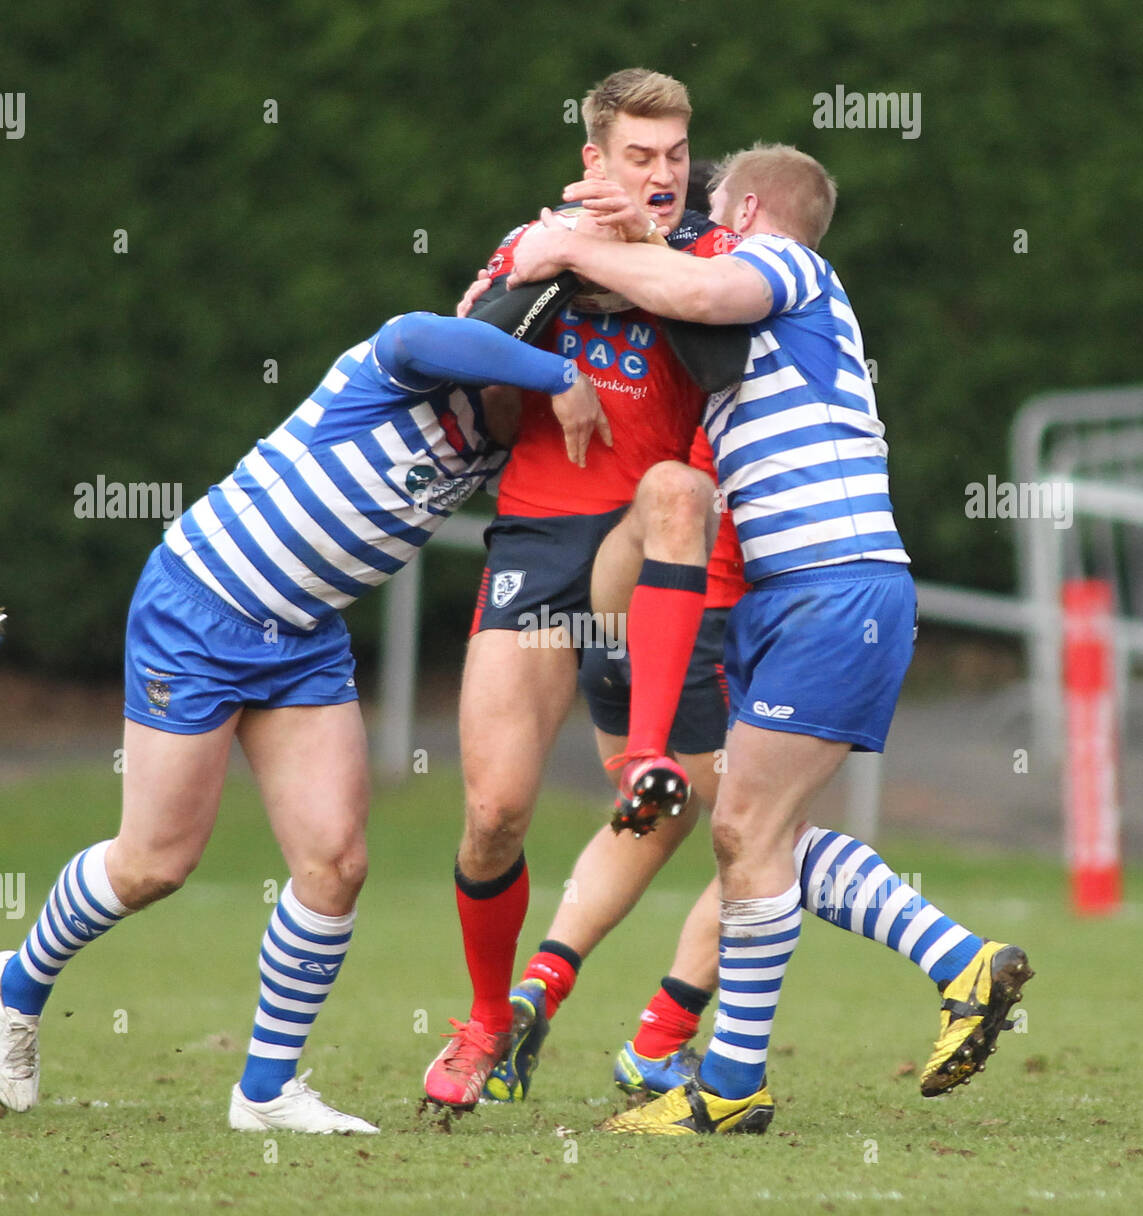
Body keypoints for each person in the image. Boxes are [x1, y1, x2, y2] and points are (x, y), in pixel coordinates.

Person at [511, 143, 1033, 1134]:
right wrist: (601, 232)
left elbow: (693, 288)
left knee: (749, 834)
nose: (702, 223)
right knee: (761, 837)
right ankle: (952, 966)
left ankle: (730, 1087)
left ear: (747, 210)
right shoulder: (768, 309)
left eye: (711, 205)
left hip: (832, 593)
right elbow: (669, 290)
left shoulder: (787, 264)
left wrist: (556, 246)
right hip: (802, 601)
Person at [0, 310, 606, 1133]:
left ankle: (265, 1092)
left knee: (336, 863)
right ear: (512, 366)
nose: (557, 414)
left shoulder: (506, 450)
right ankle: (16, 991)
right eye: (540, 385)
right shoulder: (409, 375)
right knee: (153, 863)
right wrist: (558, 374)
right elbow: (415, 331)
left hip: (304, 640)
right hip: (200, 606)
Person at [423, 68, 749, 1111]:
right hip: (538, 540)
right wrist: (563, 265)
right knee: (494, 811)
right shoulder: (540, 240)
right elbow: (470, 338)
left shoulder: (706, 255)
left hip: (646, 550)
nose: (661, 177)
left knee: (676, 487)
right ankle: (488, 1024)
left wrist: (643, 251)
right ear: (593, 161)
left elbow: (721, 354)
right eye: (639, 158)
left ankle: (644, 751)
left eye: (676, 157)